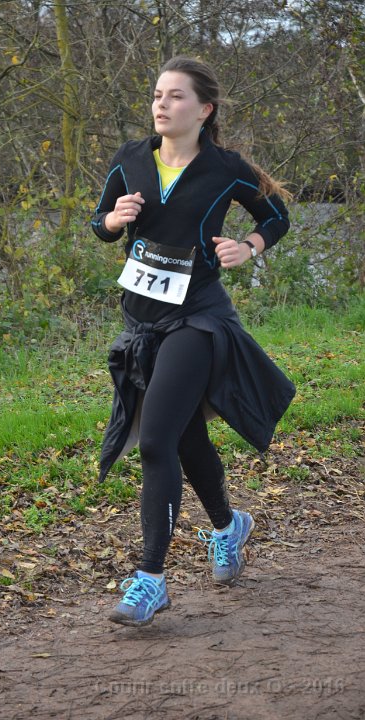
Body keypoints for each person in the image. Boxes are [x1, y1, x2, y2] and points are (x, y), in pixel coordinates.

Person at [91, 56, 295, 628]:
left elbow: (276, 215)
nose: (162, 104)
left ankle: (151, 579)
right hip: (142, 325)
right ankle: (229, 526)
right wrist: (113, 221)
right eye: (158, 94)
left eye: (175, 96)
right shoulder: (131, 158)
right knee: (184, 437)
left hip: (198, 320)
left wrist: (248, 247)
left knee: (156, 439)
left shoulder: (226, 168)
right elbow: (98, 223)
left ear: (204, 110)